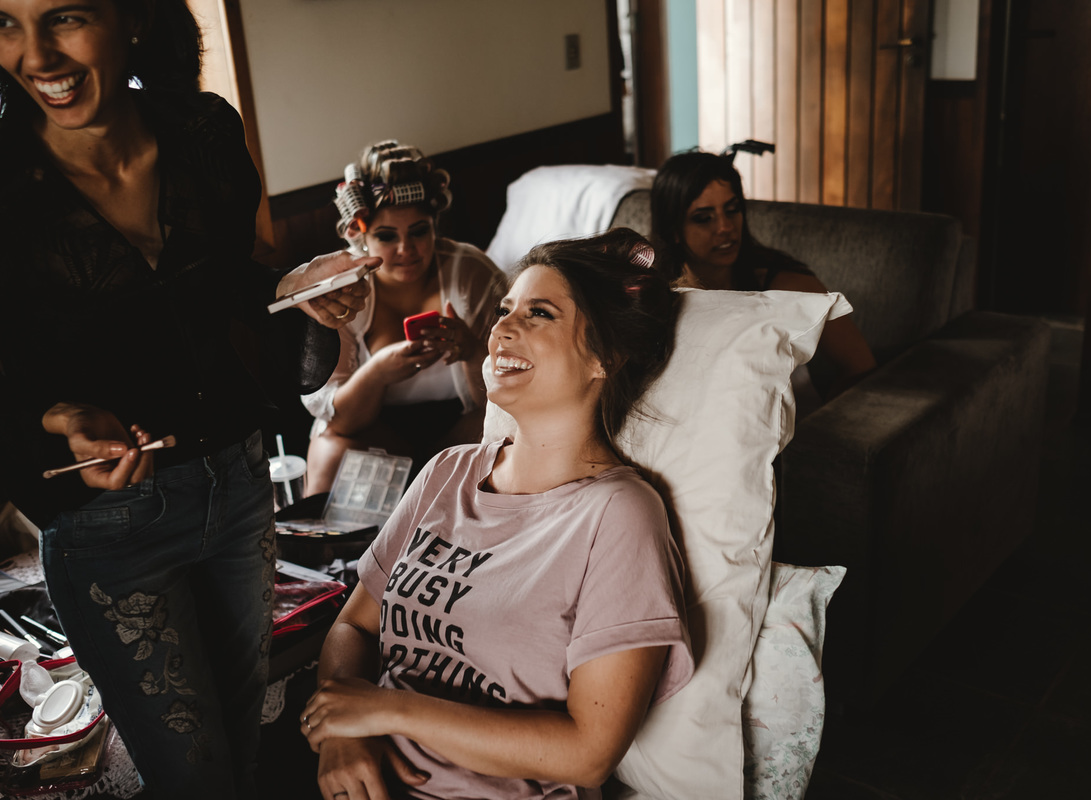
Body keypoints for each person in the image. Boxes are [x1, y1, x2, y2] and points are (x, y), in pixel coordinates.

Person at [0, 1, 374, 796]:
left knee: (243, 746)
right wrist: (57, 418)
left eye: (64, 17)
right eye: (3, 23)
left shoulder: (203, 132)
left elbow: (228, 279)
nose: (35, 56)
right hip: (109, 527)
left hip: (238, 486)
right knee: (194, 779)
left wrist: (293, 285)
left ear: (130, 17)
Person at [299, 229, 694, 800]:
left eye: (539, 313)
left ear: (603, 357)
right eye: (504, 310)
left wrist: (385, 711)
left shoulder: (618, 515)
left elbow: (590, 753)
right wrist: (341, 732)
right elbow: (353, 626)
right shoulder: (447, 472)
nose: (501, 329)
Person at [301, 141, 507, 498]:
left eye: (419, 231)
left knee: (509, 431)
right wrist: (377, 373)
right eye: (386, 236)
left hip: (462, 426)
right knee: (328, 448)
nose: (406, 250)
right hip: (375, 429)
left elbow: (505, 395)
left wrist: (473, 351)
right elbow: (339, 421)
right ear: (361, 236)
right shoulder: (341, 290)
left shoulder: (471, 274)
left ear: (435, 225)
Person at [651, 151, 876, 398]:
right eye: (704, 218)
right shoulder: (656, 295)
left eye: (732, 210)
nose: (725, 227)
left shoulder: (789, 286)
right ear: (673, 230)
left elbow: (860, 367)